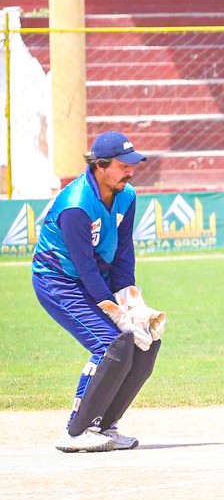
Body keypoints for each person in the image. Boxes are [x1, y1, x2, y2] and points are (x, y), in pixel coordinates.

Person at [32, 131, 166, 453]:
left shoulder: (127, 195)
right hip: (59, 281)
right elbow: (84, 268)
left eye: (132, 165)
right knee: (111, 344)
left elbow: (123, 253)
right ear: (101, 165)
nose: (130, 171)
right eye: (123, 165)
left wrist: (131, 303)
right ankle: (76, 431)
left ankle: (104, 426)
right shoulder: (76, 205)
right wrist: (116, 314)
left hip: (96, 276)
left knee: (145, 343)